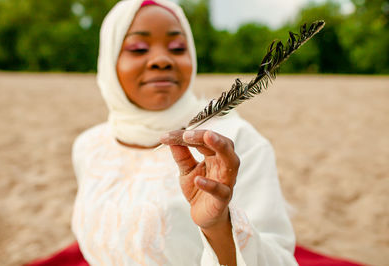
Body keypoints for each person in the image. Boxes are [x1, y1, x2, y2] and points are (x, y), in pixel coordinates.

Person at [71, 0, 297, 265]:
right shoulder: (89, 145)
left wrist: (217, 226)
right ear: (109, 61)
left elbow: (278, 258)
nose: (162, 60)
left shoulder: (234, 142)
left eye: (177, 48)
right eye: (138, 48)